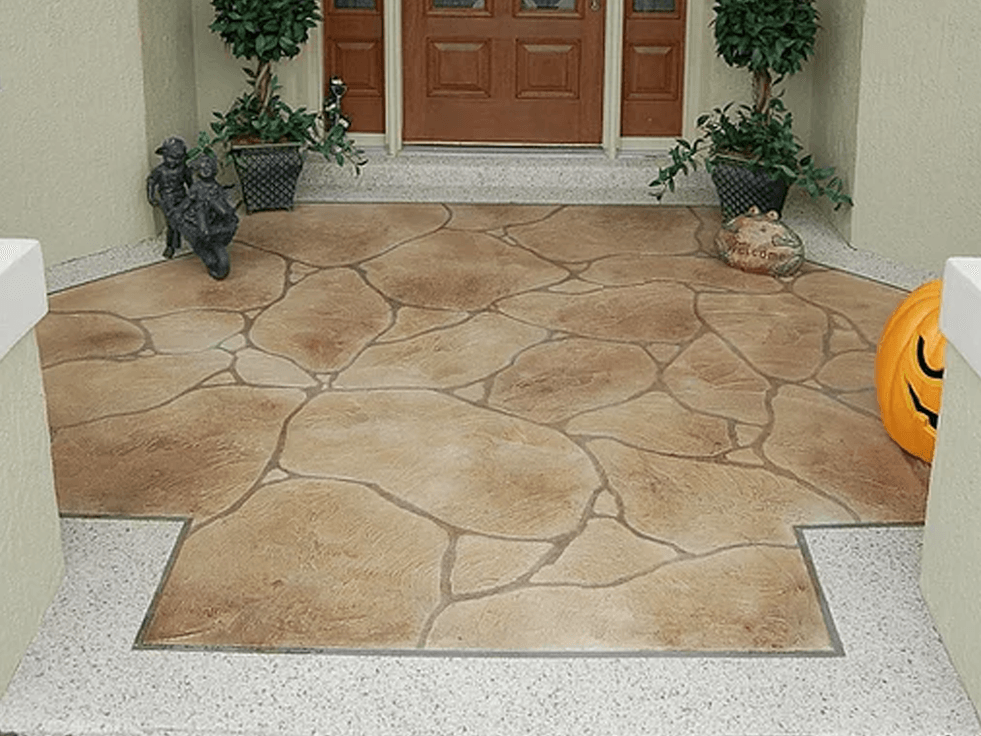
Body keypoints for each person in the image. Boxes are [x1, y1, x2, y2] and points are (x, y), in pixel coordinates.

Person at [146, 137, 192, 259]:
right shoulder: (160, 171)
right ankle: (170, 246)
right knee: (172, 223)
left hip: (181, 197)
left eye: (178, 159)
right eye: (170, 157)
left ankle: (181, 241)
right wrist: (151, 196)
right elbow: (151, 181)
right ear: (164, 156)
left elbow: (190, 183)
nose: (174, 162)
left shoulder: (183, 169)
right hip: (167, 199)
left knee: (185, 219)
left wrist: (194, 195)